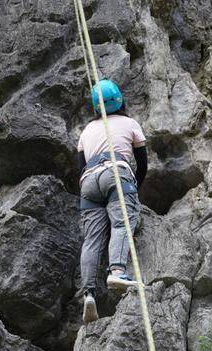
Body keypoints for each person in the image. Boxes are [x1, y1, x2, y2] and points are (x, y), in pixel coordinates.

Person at [77, 78, 148, 324]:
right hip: (116, 172)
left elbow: (81, 165)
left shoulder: (86, 131)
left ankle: (88, 294)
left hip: (88, 181)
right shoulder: (129, 123)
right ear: (119, 99)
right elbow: (142, 163)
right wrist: (132, 189)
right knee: (122, 223)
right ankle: (117, 271)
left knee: (91, 240)